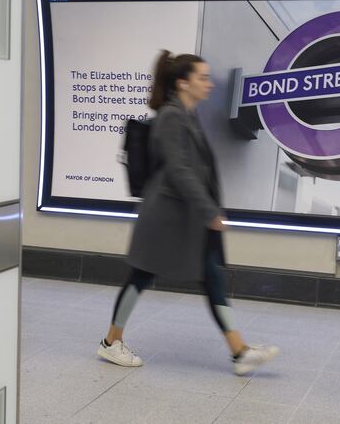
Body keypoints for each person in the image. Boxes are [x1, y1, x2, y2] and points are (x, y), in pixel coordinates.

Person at [97, 50, 280, 376]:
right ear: (183, 83)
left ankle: (239, 351)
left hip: (186, 216)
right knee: (141, 275)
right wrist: (209, 210)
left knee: (213, 278)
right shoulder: (171, 117)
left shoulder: (186, 115)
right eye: (202, 77)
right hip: (167, 217)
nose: (209, 84)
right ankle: (112, 342)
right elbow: (180, 170)